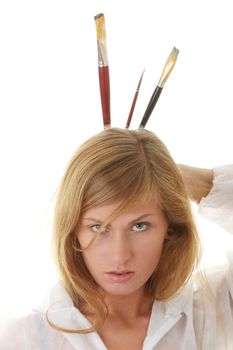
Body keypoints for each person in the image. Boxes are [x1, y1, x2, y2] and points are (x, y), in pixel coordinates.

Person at [0, 127, 232, 349]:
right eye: (99, 228)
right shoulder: (26, 339)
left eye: (139, 226)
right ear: (73, 231)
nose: (120, 255)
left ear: (169, 229)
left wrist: (178, 176)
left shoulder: (206, 317)